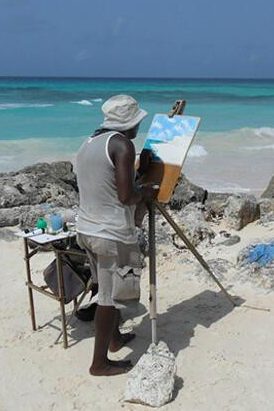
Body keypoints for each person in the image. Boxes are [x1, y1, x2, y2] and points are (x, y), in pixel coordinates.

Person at [75, 94, 157, 376]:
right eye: (137, 123)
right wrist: (145, 191)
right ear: (129, 124)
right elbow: (125, 196)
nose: (138, 128)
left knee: (106, 288)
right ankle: (99, 363)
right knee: (108, 300)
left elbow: (105, 182)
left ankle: (115, 338)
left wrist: (138, 171)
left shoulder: (90, 143)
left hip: (86, 228)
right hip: (108, 233)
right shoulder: (123, 144)